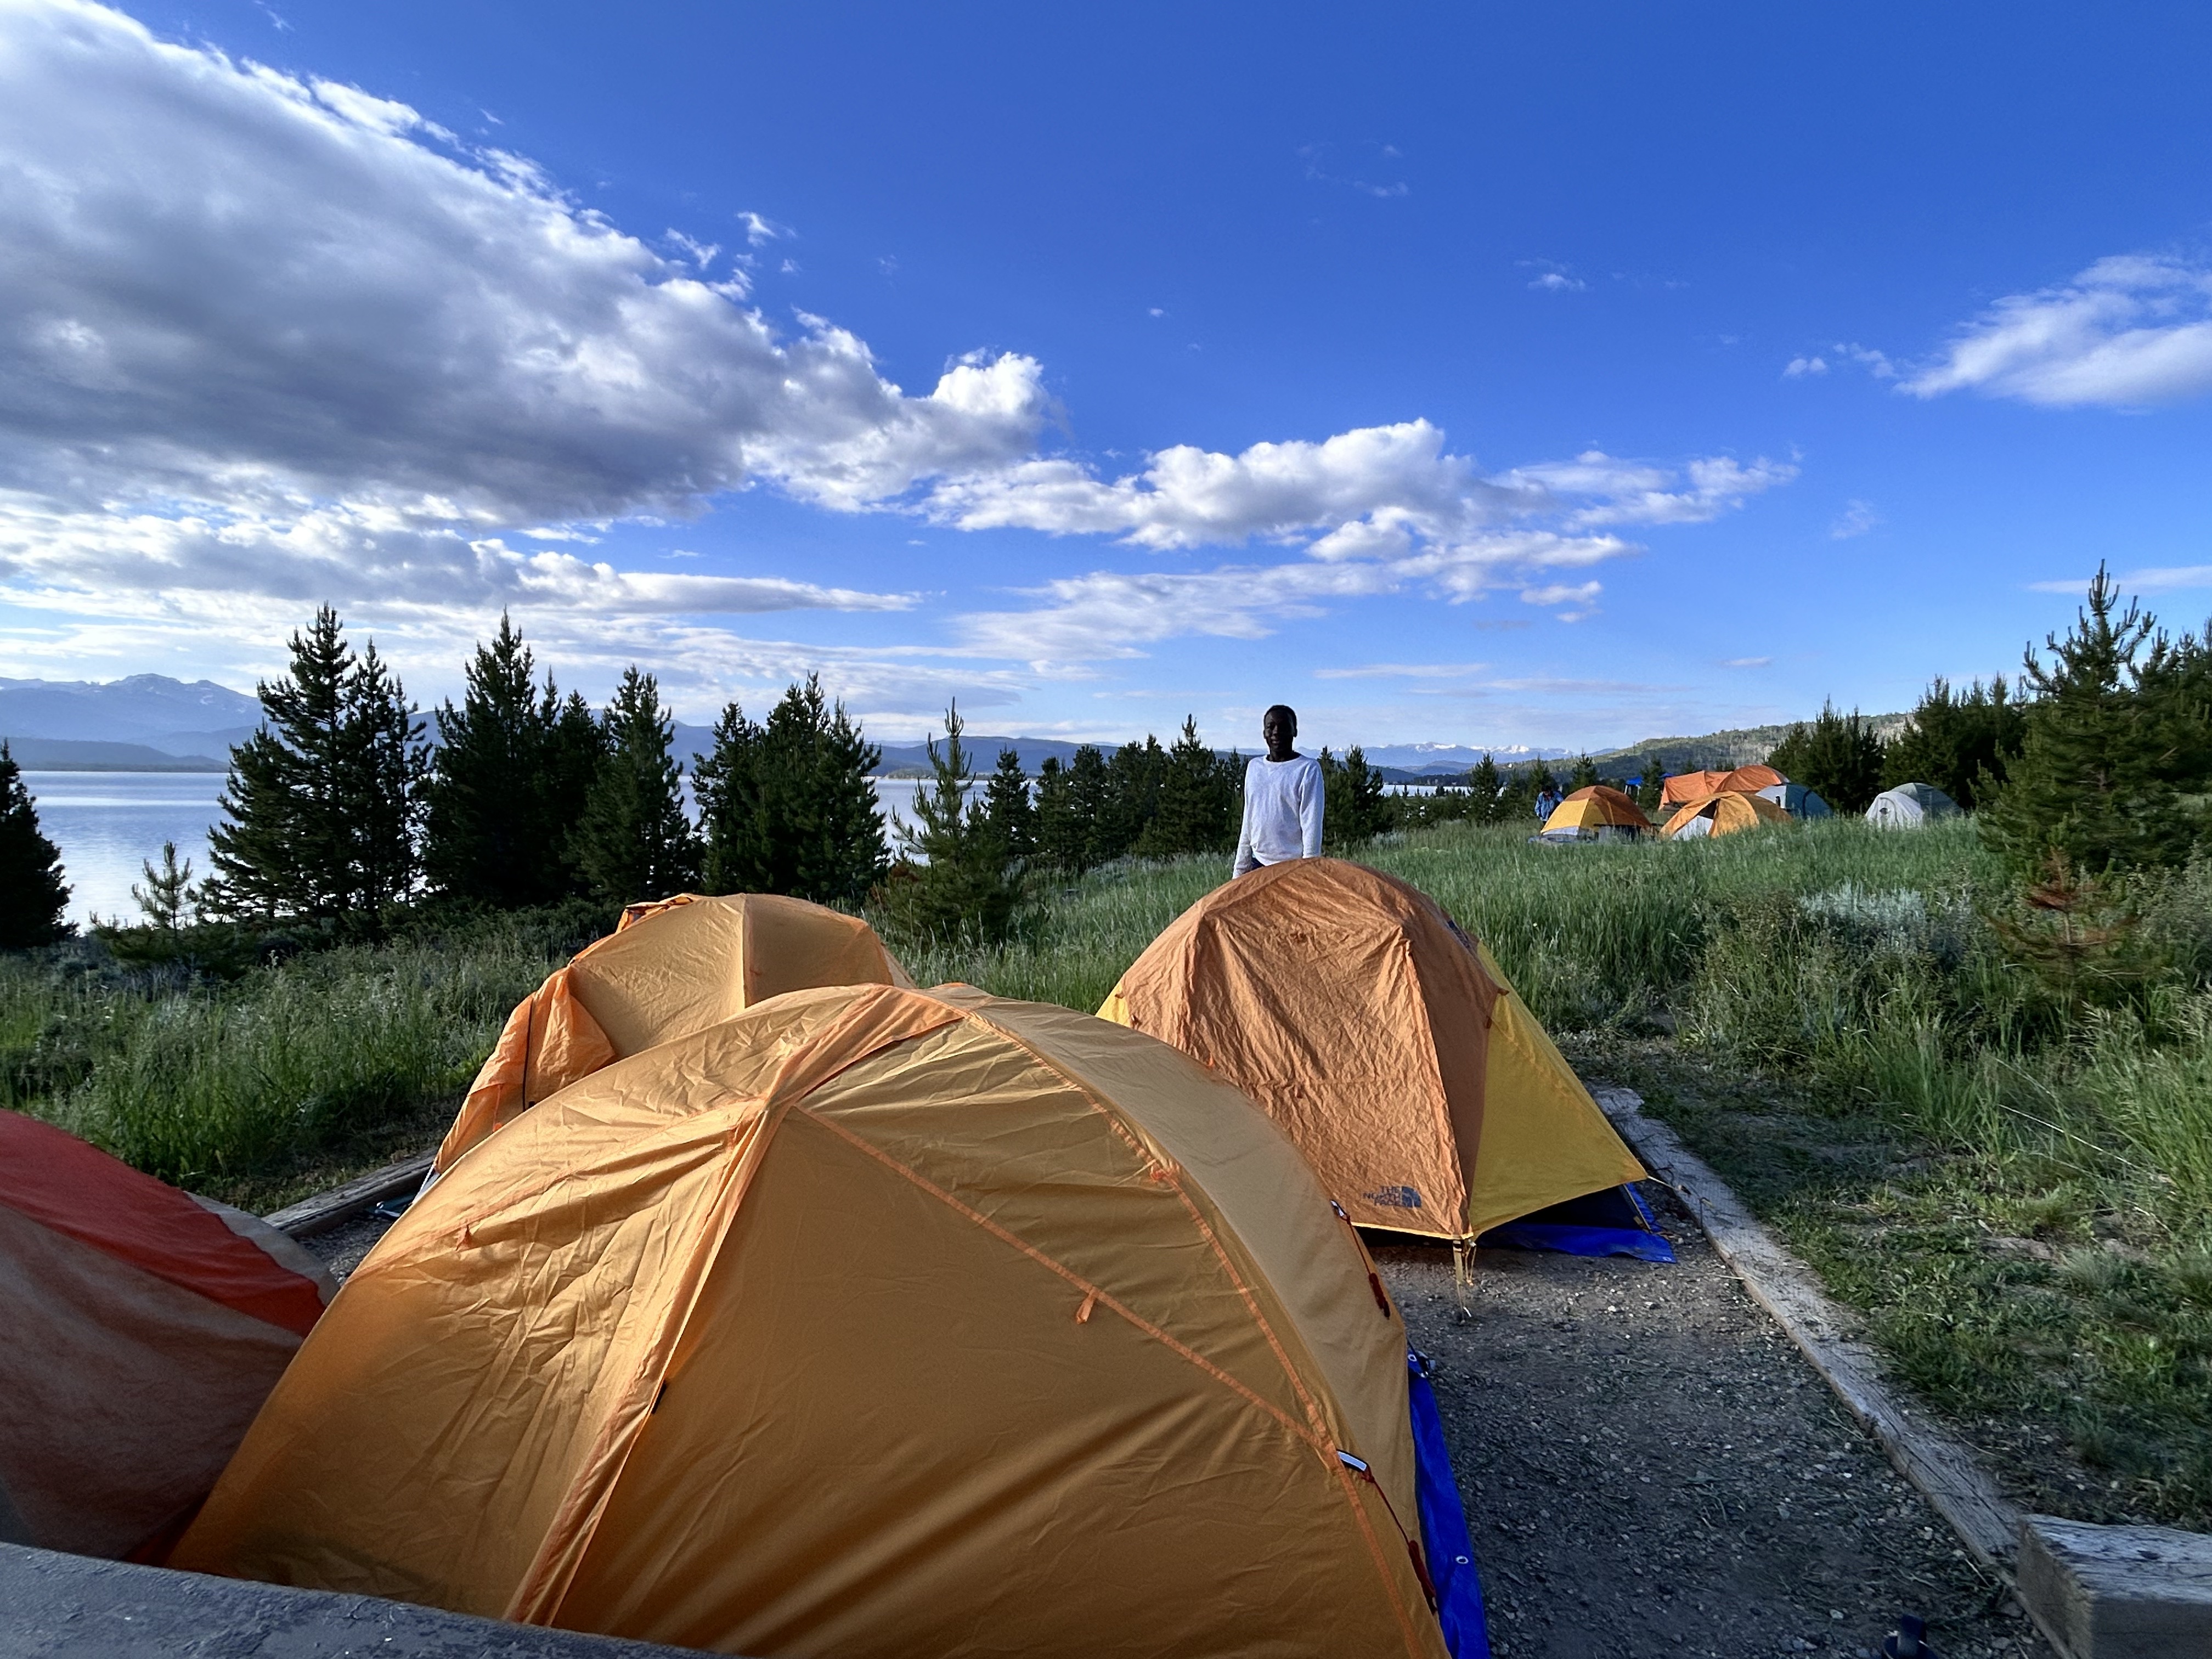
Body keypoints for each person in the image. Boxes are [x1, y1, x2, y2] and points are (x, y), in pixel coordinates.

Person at [1232, 704, 1324, 877]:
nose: (1276, 732)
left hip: (1293, 868)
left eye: (1283, 727)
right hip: (1257, 864)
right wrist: (1239, 871)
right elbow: (1249, 820)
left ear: (1294, 731)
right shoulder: (1254, 768)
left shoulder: (1307, 769)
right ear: (1264, 733)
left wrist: (1309, 873)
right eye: (1271, 727)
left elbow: (1312, 825)